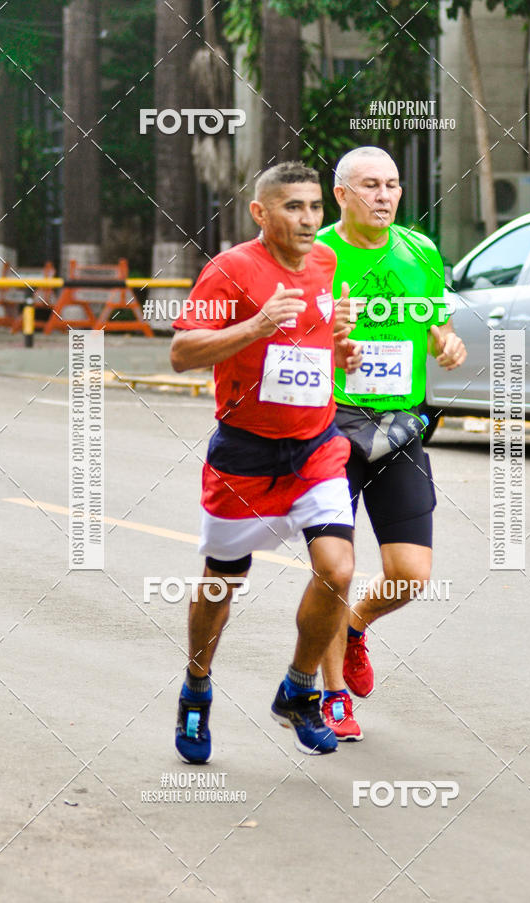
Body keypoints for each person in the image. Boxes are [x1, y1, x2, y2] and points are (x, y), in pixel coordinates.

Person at [169, 161, 362, 762]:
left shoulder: (327, 265)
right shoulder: (230, 270)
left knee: (338, 569)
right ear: (261, 212)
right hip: (245, 453)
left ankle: (299, 689)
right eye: (293, 207)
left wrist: (342, 349)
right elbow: (181, 352)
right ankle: (197, 688)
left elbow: (313, 348)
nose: (309, 219)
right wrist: (255, 323)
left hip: (315, 447)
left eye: (313, 207)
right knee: (223, 581)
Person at [316, 147, 467, 740]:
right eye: (371, 186)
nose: (384, 196)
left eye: (393, 185)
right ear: (342, 195)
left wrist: (445, 344)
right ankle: (331, 699)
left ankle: (355, 627)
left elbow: (437, 324)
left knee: (410, 574)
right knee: (336, 568)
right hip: (330, 423)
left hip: (400, 425)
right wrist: (325, 332)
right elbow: (283, 333)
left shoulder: (420, 251)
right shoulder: (318, 254)